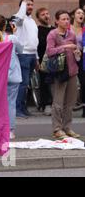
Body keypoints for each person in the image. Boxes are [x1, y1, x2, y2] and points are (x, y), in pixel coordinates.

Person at [46, 10, 81, 139]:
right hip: (59, 72)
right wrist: (66, 47)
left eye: (67, 19)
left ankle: (67, 127)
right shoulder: (52, 34)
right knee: (58, 102)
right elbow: (49, 52)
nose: (66, 21)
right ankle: (57, 129)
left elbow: (76, 49)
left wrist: (77, 52)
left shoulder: (72, 34)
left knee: (70, 102)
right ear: (57, 21)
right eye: (63, 19)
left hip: (72, 71)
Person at [14, 0, 39, 118]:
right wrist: (23, 1)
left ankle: (23, 108)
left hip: (32, 55)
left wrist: (37, 58)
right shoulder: (18, 19)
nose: (30, 7)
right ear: (22, 6)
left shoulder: (33, 21)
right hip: (23, 54)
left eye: (31, 5)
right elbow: (20, 17)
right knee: (22, 84)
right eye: (28, 4)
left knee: (26, 84)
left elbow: (35, 40)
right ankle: (17, 109)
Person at [36, 8, 55, 116]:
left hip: (54, 59)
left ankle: (54, 104)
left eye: (47, 13)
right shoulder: (38, 30)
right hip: (43, 59)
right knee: (44, 82)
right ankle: (46, 104)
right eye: (43, 14)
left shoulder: (54, 29)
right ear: (38, 18)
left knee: (55, 82)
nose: (46, 16)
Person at [70, 8, 85, 116]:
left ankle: (83, 105)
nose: (81, 15)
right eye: (79, 13)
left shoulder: (84, 29)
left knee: (83, 82)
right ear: (73, 16)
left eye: (83, 13)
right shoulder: (68, 28)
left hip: (81, 58)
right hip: (69, 57)